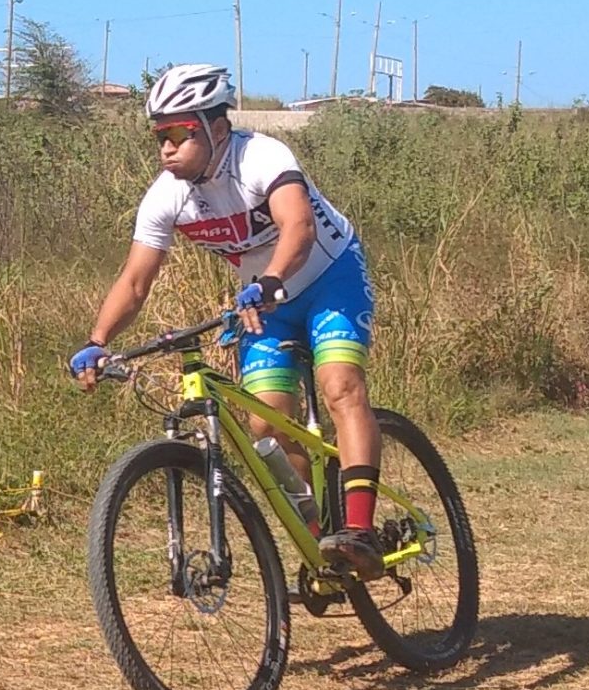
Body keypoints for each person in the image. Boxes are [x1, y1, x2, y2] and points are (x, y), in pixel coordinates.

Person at [69, 64, 390, 576]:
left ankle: (359, 528)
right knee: (267, 425)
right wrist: (97, 339)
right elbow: (135, 281)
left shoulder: (262, 156)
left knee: (340, 386)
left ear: (217, 129)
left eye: (180, 132)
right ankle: (319, 543)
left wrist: (272, 279)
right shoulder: (167, 196)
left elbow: (299, 226)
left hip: (328, 276)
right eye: (160, 136)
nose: (167, 148)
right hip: (264, 304)